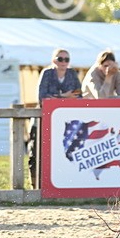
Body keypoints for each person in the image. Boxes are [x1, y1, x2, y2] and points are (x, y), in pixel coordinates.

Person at [30, 49, 82, 186]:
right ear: (54, 60)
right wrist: (64, 96)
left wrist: (56, 97)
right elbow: (42, 98)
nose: (63, 62)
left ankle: (64, 184)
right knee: (37, 152)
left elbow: (78, 96)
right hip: (43, 119)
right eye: (60, 59)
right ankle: (35, 186)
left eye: (66, 59)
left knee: (63, 153)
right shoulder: (47, 73)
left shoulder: (72, 74)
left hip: (65, 121)